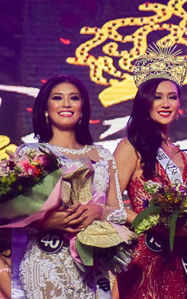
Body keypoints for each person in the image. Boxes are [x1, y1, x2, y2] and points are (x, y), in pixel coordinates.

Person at [11, 75, 126, 299]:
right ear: (45, 108)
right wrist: (47, 221)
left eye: (74, 98)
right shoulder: (30, 153)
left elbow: (119, 211)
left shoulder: (102, 155)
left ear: (82, 108)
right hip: (47, 260)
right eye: (57, 98)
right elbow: (14, 215)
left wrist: (99, 211)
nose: (66, 104)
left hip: (95, 262)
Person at [114, 43, 187, 298]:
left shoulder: (181, 154)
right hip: (142, 256)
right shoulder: (130, 146)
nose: (165, 103)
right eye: (157, 97)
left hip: (176, 257)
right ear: (145, 102)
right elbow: (111, 204)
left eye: (172, 96)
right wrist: (148, 221)